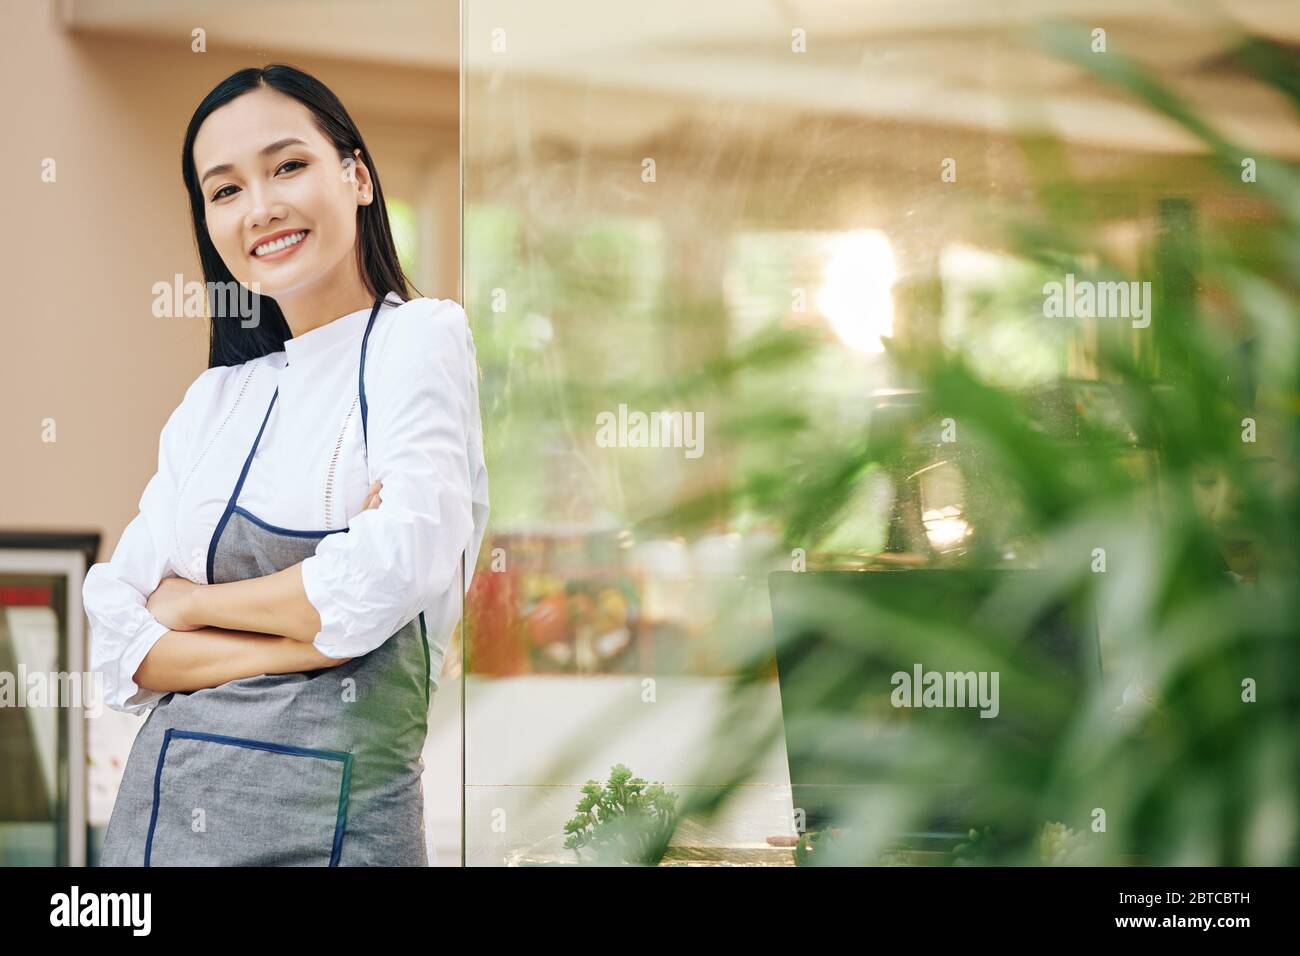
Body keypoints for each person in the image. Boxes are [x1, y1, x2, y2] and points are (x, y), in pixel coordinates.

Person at [83, 64, 489, 866]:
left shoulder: (419, 341)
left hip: (339, 838)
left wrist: (191, 604)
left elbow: (386, 573)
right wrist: (309, 641)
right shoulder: (216, 399)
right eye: (224, 190)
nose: (260, 207)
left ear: (358, 176)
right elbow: (117, 637)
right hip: (156, 833)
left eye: (288, 166)